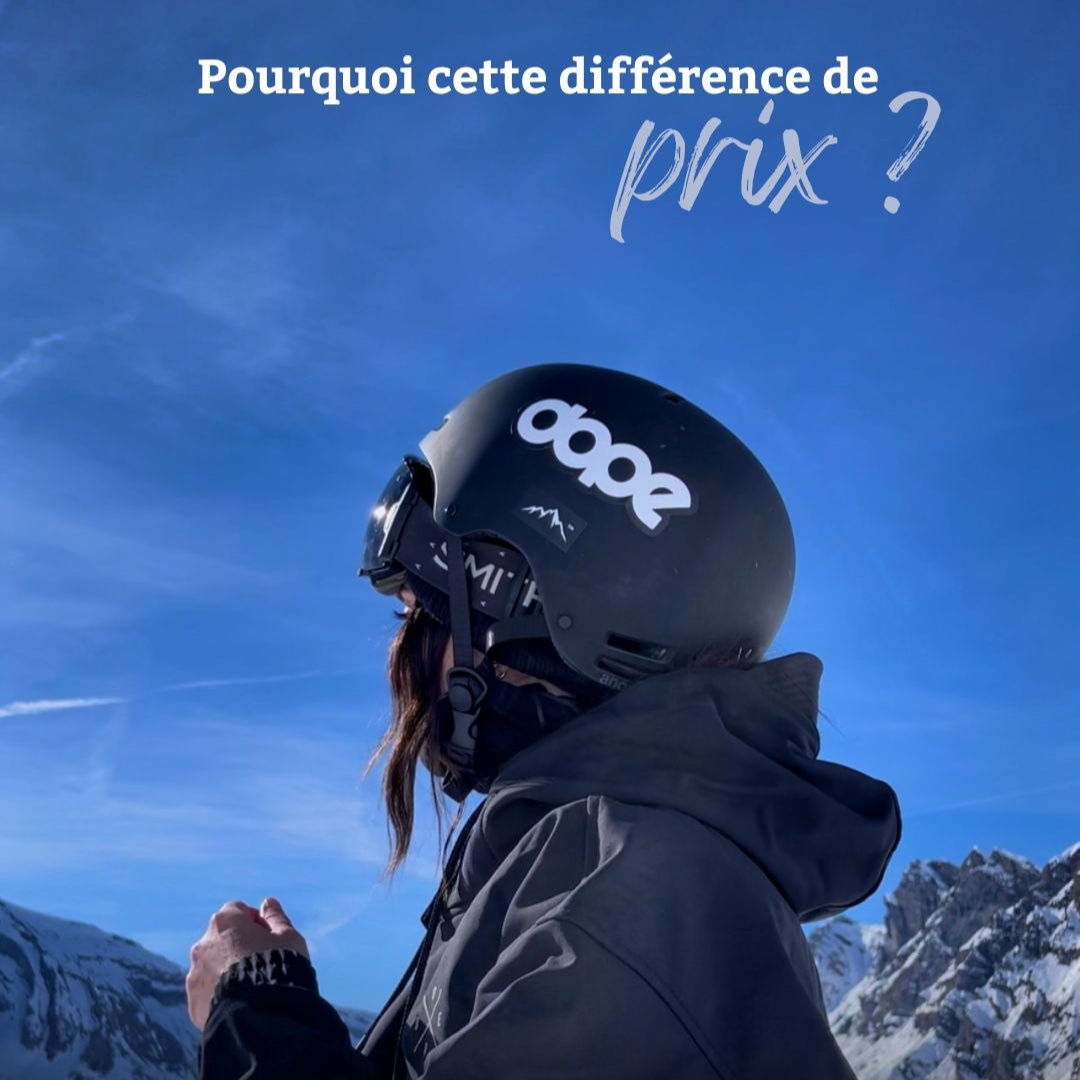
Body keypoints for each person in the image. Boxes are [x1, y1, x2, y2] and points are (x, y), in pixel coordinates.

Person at [188, 363, 902, 1079]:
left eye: (416, 613)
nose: (400, 653)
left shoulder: (642, 903)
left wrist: (257, 1014)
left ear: (514, 613)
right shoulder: (594, 864)